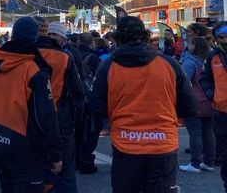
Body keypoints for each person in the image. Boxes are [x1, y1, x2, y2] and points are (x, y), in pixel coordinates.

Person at [89, 16, 197, 193]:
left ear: (117, 39)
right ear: (146, 36)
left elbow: (96, 107)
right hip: (162, 144)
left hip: (126, 144)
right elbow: (190, 106)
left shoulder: (108, 66)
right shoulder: (169, 64)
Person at [0, 17, 63, 192]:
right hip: (25, 146)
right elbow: (46, 116)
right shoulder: (33, 68)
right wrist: (55, 155)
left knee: (7, 185)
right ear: (35, 38)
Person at [38, 21, 85, 192]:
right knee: (64, 172)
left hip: (44, 118)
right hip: (60, 118)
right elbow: (78, 92)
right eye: (50, 34)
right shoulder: (65, 57)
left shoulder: (32, 54)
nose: (52, 37)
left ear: (62, 36)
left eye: (55, 34)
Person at [180, 36, 215, 173]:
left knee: (195, 133)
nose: (187, 45)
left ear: (194, 46)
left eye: (189, 43)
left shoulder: (190, 61)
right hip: (210, 99)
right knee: (208, 133)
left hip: (195, 100)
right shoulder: (210, 59)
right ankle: (209, 162)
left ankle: (195, 163)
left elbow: (184, 81)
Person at [201, 22, 227, 192]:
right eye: (222, 37)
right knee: (226, 155)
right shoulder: (213, 56)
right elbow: (205, 78)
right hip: (222, 113)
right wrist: (212, 94)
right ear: (217, 39)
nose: (226, 40)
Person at [75, 32, 102, 174]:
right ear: (92, 43)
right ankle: (86, 162)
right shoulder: (94, 58)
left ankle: (76, 160)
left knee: (77, 131)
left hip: (74, 99)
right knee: (91, 131)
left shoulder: (70, 55)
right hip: (91, 100)